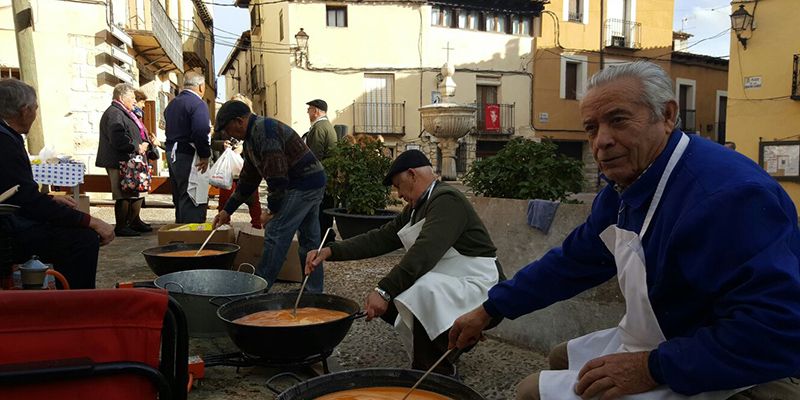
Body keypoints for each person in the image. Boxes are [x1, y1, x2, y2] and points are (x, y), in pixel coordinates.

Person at [449, 61, 800, 400]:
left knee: (530, 390)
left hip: (724, 364)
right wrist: (491, 309)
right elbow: (572, 262)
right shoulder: (626, 188)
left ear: (667, 115)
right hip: (666, 338)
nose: (602, 141)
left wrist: (650, 367)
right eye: (591, 128)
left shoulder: (728, 197)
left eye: (618, 120)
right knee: (560, 357)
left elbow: (775, 331)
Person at [305, 150, 504, 375]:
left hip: (480, 284)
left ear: (412, 174)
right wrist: (331, 251)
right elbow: (381, 238)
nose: (398, 194)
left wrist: (384, 290)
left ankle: (436, 374)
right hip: (453, 278)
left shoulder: (447, 200)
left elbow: (424, 252)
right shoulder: (416, 208)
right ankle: (451, 342)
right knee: (397, 302)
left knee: (421, 292)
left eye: (398, 185)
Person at [0, 78, 115, 289]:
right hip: (6, 230)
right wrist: (90, 221)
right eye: (35, 109)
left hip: (10, 218)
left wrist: (50, 199)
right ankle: (73, 306)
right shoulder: (5, 142)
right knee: (82, 239)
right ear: (24, 111)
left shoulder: (7, 137)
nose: (35, 115)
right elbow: (30, 204)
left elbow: (18, 193)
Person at [211, 100, 326, 292]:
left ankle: (257, 290)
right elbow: (248, 179)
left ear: (239, 121)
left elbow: (277, 177)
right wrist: (227, 210)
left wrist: (271, 210)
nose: (227, 134)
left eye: (227, 129)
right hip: (311, 180)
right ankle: (313, 292)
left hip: (303, 184)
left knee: (275, 233)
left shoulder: (264, 131)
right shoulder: (251, 138)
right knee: (309, 240)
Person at [96, 83, 153, 236]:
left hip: (129, 159)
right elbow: (118, 138)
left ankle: (134, 221)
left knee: (136, 191)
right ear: (121, 98)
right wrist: (136, 147)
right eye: (132, 98)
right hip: (119, 160)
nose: (135, 101)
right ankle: (121, 226)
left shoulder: (124, 112)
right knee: (124, 194)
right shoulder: (115, 113)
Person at [164, 71, 211, 223]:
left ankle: (180, 232)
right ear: (201, 87)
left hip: (173, 151)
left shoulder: (172, 104)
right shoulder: (198, 104)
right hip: (188, 154)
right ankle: (191, 237)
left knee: (179, 194)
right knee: (192, 194)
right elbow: (200, 130)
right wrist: (205, 154)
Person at [210, 94, 262, 229]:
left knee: (253, 200)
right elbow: (213, 142)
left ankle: (258, 229)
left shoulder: (256, 130)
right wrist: (223, 144)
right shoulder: (225, 122)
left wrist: (243, 148)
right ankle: (224, 228)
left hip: (246, 167)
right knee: (226, 200)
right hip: (229, 170)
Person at [304, 99, 338, 245]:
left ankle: (322, 241)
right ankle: (326, 238)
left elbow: (314, 156)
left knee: (321, 211)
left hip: (321, 176)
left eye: (309, 109)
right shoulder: (326, 126)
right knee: (325, 210)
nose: (308, 113)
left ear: (316, 111)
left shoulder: (319, 128)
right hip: (328, 175)